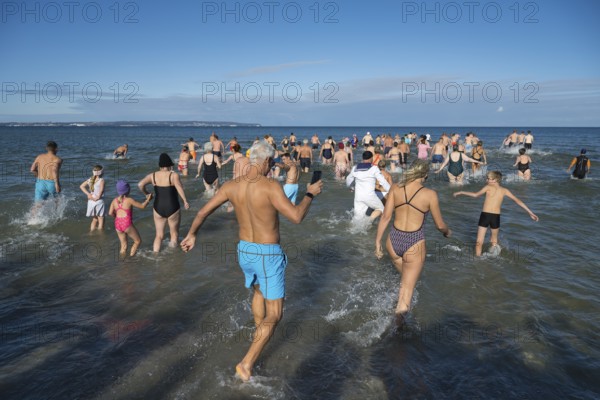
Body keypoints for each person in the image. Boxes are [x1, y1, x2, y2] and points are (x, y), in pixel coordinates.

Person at [180, 140, 323, 382]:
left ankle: (259, 334)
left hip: (244, 251)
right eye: (272, 161)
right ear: (266, 161)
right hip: (268, 254)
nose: (272, 166)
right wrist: (310, 193)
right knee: (275, 314)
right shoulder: (269, 186)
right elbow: (296, 216)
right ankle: (246, 364)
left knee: (258, 292)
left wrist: (192, 234)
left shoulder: (231, 185)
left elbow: (203, 212)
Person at [375, 160, 450, 318]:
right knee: (408, 290)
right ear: (425, 174)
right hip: (414, 242)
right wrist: (447, 232)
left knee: (405, 282)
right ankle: (398, 332)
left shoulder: (395, 188)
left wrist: (377, 243)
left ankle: (392, 304)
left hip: (393, 240)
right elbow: (439, 225)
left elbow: (385, 217)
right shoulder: (430, 194)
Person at [453, 170, 539, 257]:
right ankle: (493, 258)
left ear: (495, 180)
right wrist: (530, 212)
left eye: (489, 179)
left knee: (479, 241)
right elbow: (517, 201)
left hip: (485, 216)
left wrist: (461, 192)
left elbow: (476, 195)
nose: (487, 180)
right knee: (494, 241)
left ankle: (478, 259)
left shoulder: (488, 187)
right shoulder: (505, 190)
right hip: (496, 217)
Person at [138, 153, 190, 252]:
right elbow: (179, 188)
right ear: (170, 164)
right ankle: (172, 256)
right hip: (173, 207)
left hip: (158, 207)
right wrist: (185, 200)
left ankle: (155, 255)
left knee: (159, 235)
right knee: (174, 234)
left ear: (160, 165)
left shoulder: (152, 175)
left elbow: (140, 184)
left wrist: (147, 193)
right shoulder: (173, 175)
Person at [109, 180, 153, 257]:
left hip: (117, 223)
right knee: (137, 241)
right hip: (126, 223)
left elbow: (110, 213)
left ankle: (122, 261)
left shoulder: (114, 201)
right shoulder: (129, 200)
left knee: (123, 245)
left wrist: (116, 217)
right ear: (128, 190)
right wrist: (148, 200)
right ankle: (131, 257)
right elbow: (142, 206)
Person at [346, 151, 391, 221]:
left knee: (357, 218)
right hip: (370, 196)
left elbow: (348, 180)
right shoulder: (374, 168)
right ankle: (369, 221)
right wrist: (391, 190)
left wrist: (352, 187)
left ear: (363, 158)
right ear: (371, 158)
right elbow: (383, 182)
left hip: (358, 196)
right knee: (381, 209)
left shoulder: (355, 168)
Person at [79, 165, 106, 231]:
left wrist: (88, 194)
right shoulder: (101, 180)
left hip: (91, 201)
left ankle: (91, 232)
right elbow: (101, 190)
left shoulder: (90, 180)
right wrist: (98, 197)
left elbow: (81, 186)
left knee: (94, 219)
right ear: (101, 172)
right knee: (101, 219)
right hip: (98, 201)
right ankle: (100, 235)